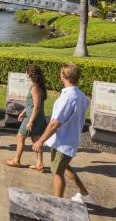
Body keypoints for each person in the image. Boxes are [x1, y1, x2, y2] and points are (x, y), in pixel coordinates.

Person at [32, 63, 94, 204]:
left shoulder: (68, 97)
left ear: (63, 76)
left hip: (63, 142)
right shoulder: (82, 96)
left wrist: (40, 141)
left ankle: (57, 204)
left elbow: (55, 123)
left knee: (57, 172)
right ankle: (85, 194)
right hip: (70, 139)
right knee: (63, 167)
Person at [6, 65, 48, 171]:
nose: (25, 74)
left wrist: (30, 121)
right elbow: (32, 104)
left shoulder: (35, 88)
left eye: (26, 72)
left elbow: (37, 107)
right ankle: (39, 164)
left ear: (30, 74)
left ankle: (16, 161)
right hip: (35, 116)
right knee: (36, 139)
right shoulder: (36, 86)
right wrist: (23, 112)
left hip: (33, 117)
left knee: (20, 137)